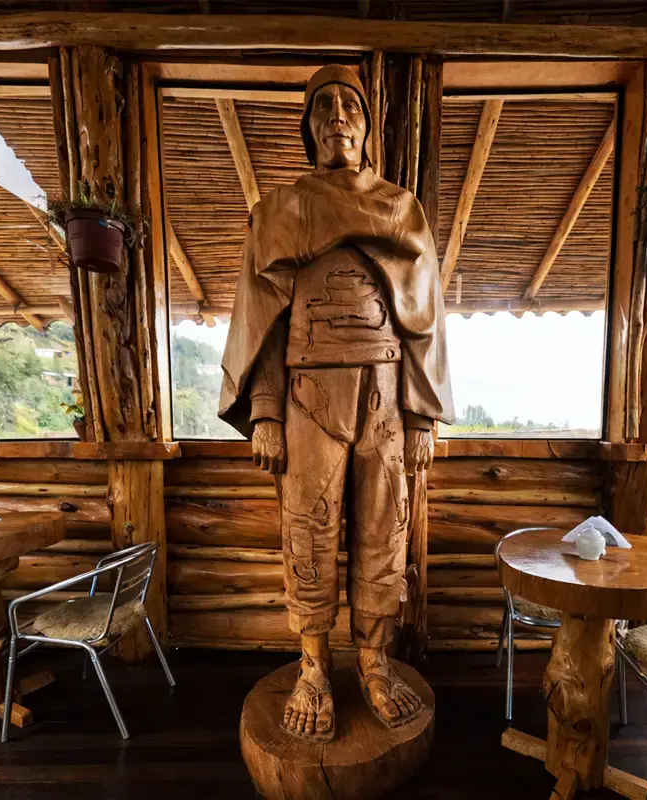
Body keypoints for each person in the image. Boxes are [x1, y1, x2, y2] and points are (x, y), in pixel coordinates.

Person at [219, 64, 454, 741]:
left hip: (386, 396)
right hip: (305, 396)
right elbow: (262, 318)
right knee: (308, 528)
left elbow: (426, 321)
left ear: (367, 127)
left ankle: (374, 664)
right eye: (322, 106)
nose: (337, 117)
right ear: (308, 128)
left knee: (386, 531)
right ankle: (314, 666)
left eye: (350, 104)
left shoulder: (401, 210)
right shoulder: (278, 212)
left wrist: (421, 414)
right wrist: (265, 411)